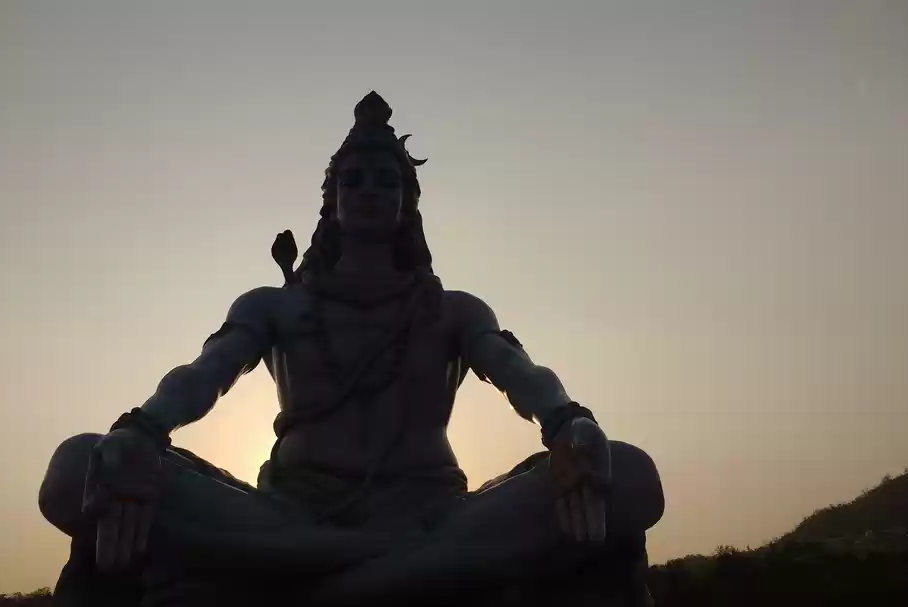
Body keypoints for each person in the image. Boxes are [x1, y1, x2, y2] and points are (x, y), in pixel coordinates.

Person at [38, 91, 664, 606]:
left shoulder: (453, 309)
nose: (368, 190)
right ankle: (393, 573)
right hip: (290, 519)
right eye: (354, 179)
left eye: (385, 180)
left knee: (630, 475)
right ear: (332, 199)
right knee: (78, 467)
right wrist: (142, 432)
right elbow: (205, 374)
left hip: (432, 516)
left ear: (406, 201)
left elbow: (520, 373)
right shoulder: (274, 305)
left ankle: (315, 584)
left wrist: (568, 424)